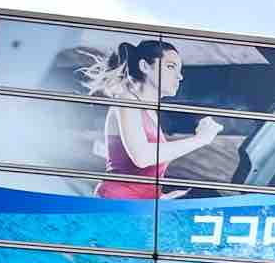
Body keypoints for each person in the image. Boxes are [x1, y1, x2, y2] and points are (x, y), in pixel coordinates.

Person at [79, 40, 223, 199]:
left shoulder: (150, 112)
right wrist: (201, 139)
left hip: (141, 204)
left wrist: (162, 196)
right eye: (171, 67)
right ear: (145, 66)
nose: (180, 76)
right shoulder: (126, 100)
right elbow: (142, 157)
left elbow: (148, 170)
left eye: (180, 70)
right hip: (117, 202)